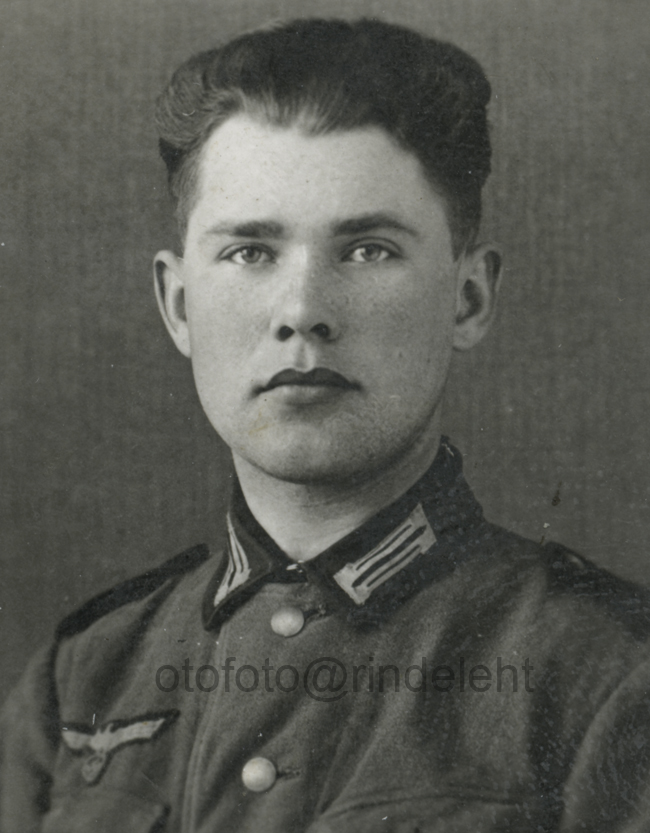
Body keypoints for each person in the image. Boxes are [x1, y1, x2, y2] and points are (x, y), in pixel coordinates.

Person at [1, 17, 649, 833]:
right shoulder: (82, 679)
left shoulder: (608, 674)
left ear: (468, 298)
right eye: (249, 251)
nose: (303, 311)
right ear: (179, 305)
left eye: (368, 249)